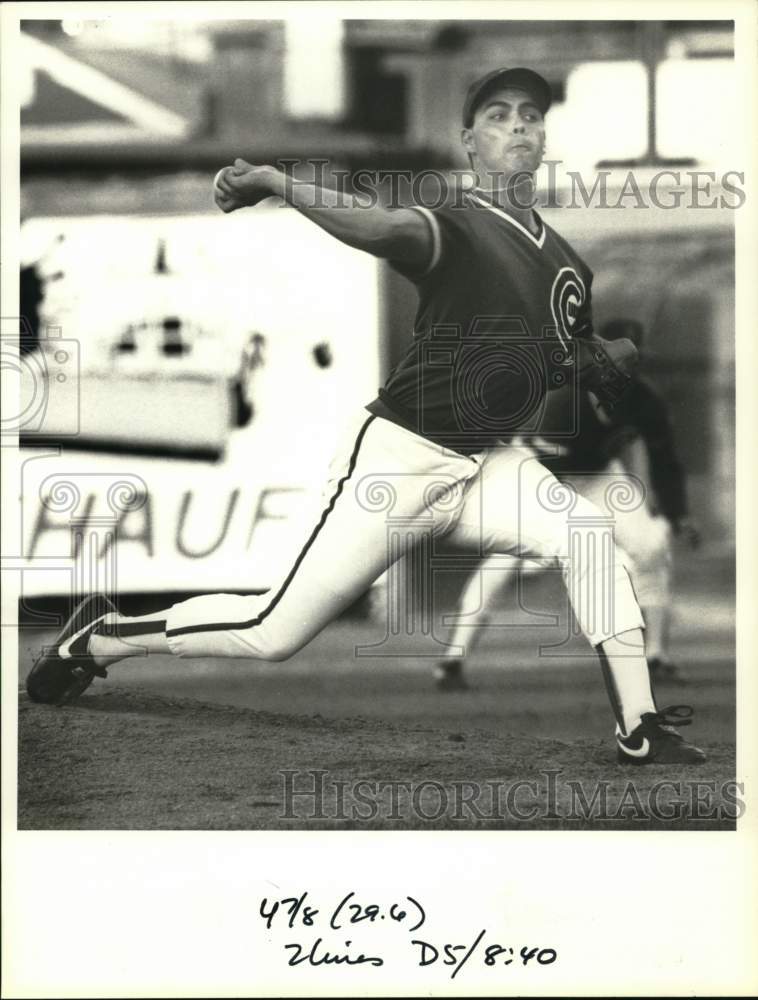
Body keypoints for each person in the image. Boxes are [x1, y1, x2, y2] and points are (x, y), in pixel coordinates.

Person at [26, 67, 705, 765]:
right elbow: (380, 226)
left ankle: (640, 726)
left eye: (529, 114)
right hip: (401, 460)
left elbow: (567, 349)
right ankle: (103, 635)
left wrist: (598, 355)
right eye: (497, 116)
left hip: (487, 463)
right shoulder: (459, 224)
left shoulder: (569, 266)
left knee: (587, 535)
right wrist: (281, 184)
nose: (518, 126)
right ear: (470, 142)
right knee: (272, 632)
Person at [433, 319, 700, 692]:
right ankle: (453, 659)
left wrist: (677, 513)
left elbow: (665, 459)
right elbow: (535, 460)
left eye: (630, 362)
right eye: (613, 361)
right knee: (504, 560)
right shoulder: (563, 401)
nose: (622, 371)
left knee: (652, 545)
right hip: (542, 473)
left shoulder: (645, 402)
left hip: (598, 475)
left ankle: (655, 656)